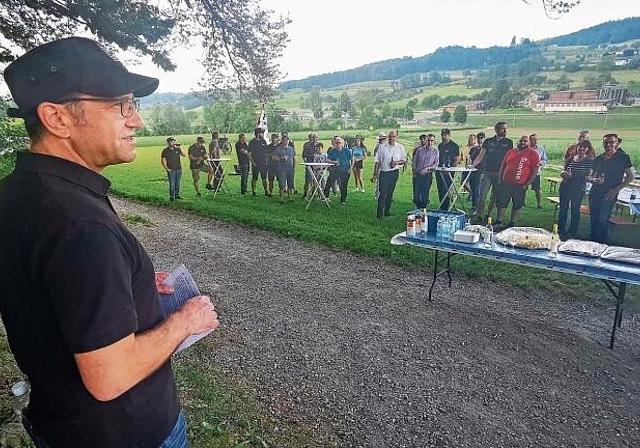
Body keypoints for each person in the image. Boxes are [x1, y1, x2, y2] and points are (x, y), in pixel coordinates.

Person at [0, 37, 219, 448]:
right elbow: (109, 377)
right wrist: (185, 322)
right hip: (128, 434)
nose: (136, 121)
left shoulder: (18, 193)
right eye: (121, 105)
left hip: (62, 424)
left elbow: (42, 290)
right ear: (57, 119)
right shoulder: (79, 224)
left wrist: (122, 286)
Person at [586, 133, 634, 243]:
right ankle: (592, 242)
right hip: (595, 193)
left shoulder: (623, 158)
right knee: (594, 219)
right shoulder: (598, 159)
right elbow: (589, 176)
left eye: (611, 142)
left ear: (616, 143)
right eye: (606, 142)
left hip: (609, 194)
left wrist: (616, 189)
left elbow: (630, 177)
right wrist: (594, 180)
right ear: (603, 143)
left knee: (602, 219)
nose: (608, 144)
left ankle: (602, 244)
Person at [495, 135, 540, 228]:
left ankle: (512, 223)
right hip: (505, 183)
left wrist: (527, 184)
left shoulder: (533, 153)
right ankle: (499, 220)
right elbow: (503, 166)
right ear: (517, 142)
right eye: (521, 141)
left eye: (525, 141)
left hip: (520, 185)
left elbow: (535, 170)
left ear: (528, 143)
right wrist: (499, 180)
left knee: (517, 204)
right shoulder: (511, 151)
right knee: (501, 203)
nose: (522, 143)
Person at [473, 121, 514, 222]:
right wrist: (472, 165)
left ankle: (488, 214)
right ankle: (479, 215)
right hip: (487, 172)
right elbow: (481, 155)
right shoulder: (488, 141)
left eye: (506, 128)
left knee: (495, 196)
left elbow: (510, 158)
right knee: (482, 195)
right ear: (496, 129)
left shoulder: (509, 142)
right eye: (502, 128)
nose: (505, 131)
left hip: (500, 174)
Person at [558, 139, 595, 239]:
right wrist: (563, 173)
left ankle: (572, 232)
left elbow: (588, 177)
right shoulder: (570, 159)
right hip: (565, 187)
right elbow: (564, 170)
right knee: (562, 210)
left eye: (585, 147)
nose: (582, 148)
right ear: (577, 147)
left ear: (588, 149)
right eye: (580, 146)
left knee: (575, 210)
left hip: (578, 189)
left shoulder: (590, 161)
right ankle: (560, 231)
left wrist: (573, 176)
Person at [371, 130, 406, 218]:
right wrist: (375, 174)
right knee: (382, 193)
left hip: (394, 173)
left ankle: (387, 211)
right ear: (388, 137)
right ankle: (379, 214)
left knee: (390, 193)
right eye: (390, 136)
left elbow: (403, 160)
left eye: (393, 136)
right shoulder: (382, 147)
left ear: (396, 137)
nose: (391, 138)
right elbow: (377, 161)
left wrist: (396, 163)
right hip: (384, 173)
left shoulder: (400, 147)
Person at [412, 134, 439, 209]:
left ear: (434, 141)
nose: (430, 142)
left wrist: (427, 168)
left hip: (427, 175)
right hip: (417, 175)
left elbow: (436, 164)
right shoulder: (420, 150)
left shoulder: (435, 151)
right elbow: (414, 162)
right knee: (416, 196)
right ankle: (419, 210)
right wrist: (414, 172)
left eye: (432, 141)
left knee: (424, 196)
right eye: (428, 140)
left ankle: (423, 212)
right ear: (426, 141)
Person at [436, 128, 461, 210]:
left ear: (449, 136)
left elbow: (457, 159)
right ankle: (442, 205)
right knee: (440, 189)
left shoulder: (454, 146)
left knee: (445, 189)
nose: (443, 137)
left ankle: (445, 208)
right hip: (439, 171)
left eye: (445, 135)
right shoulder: (440, 145)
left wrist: (450, 169)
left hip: (449, 172)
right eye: (442, 135)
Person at [323, 136, 353, 205]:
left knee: (344, 185)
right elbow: (327, 160)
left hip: (345, 171)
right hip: (335, 170)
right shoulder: (332, 150)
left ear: (342, 143)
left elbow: (352, 159)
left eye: (339, 142)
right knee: (329, 182)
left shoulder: (346, 150)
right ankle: (326, 196)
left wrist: (350, 168)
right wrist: (334, 162)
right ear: (334, 143)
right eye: (336, 143)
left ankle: (343, 200)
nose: (338, 144)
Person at [161, 137, 186, 201]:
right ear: (168, 142)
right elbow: (163, 160)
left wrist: (180, 148)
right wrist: (167, 168)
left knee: (178, 183)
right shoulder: (165, 151)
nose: (173, 143)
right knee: (172, 183)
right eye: (172, 142)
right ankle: (172, 197)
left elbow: (184, 155)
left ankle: (177, 195)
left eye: (174, 141)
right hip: (171, 170)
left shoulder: (177, 149)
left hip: (179, 169)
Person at [275, 134, 296, 203]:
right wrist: (281, 158)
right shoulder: (278, 148)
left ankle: (290, 197)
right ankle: (282, 199)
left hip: (290, 169)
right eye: (284, 140)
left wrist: (294, 167)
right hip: (281, 169)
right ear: (282, 141)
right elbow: (273, 157)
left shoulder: (291, 149)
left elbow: (294, 158)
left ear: (289, 141)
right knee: (282, 184)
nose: (286, 141)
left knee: (290, 184)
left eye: (287, 140)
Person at [529, 133, 548, 209]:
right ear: (530, 140)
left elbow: (544, 159)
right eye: (534, 139)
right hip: (526, 171)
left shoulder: (541, 149)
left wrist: (539, 164)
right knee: (523, 188)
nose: (536, 141)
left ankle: (539, 204)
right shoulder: (527, 148)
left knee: (537, 189)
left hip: (536, 172)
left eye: (537, 139)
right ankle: (521, 203)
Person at [248, 127, 268, 196]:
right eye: (261, 133)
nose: (262, 134)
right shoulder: (252, 142)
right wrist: (253, 162)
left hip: (263, 163)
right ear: (258, 134)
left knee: (264, 178)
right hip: (255, 163)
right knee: (254, 178)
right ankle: (254, 192)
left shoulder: (263, 141)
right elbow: (249, 154)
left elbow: (266, 151)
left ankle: (266, 191)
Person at [468, 132, 485, 210]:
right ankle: (474, 204)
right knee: (473, 188)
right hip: (472, 171)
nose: (479, 139)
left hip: (480, 171)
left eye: (481, 138)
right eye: (478, 138)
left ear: (484, 138)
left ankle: (477, 206)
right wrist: (469, 164)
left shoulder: (484, 149)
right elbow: (470, 158)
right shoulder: (473, 148)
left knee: (477, 189)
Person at [302, 133, 319, 198]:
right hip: (309, 165)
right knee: (308, 180)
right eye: (314, 137)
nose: (315, 139)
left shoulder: (319, 144)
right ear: (312, 138)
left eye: (316, 137)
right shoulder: (307, 145)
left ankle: (313, 193)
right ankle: (305, 193)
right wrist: (306, 163)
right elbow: (304, 155)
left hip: (317, 166)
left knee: (316, 180)